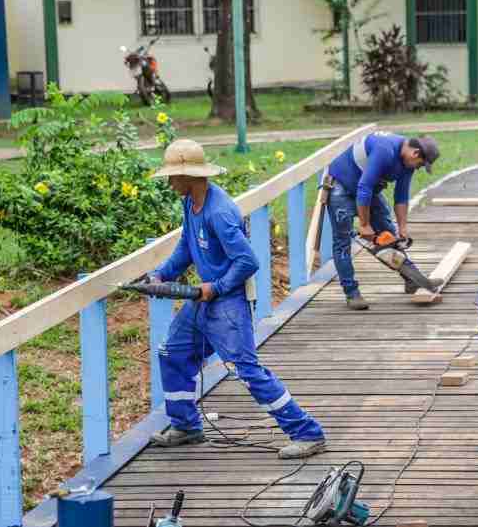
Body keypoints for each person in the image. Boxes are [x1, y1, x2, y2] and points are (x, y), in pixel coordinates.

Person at [147, 139, 326, 459]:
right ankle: (186, 425)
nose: (170, 183)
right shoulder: (191, 204)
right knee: (171, 352)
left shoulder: (220, 213)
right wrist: (161, 276)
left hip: (228, 304)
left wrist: (214, 287)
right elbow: (187, 247)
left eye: (173, 177)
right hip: (202, 302)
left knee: (246, 370)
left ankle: (307, 432)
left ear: (190, 176)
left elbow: (248, 262)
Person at [326, 131, 442, 310]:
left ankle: (413, 280)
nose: (418, 168)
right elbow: (364, 188)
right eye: (420, 164)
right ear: (415, 153)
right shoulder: (384, 149)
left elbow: (401, 196)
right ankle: (352, 293)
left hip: (367, 187)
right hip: (341, 186)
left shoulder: (407, 163)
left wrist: (403, 228)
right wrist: (364, 225)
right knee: (342, 242)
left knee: (390, 233)